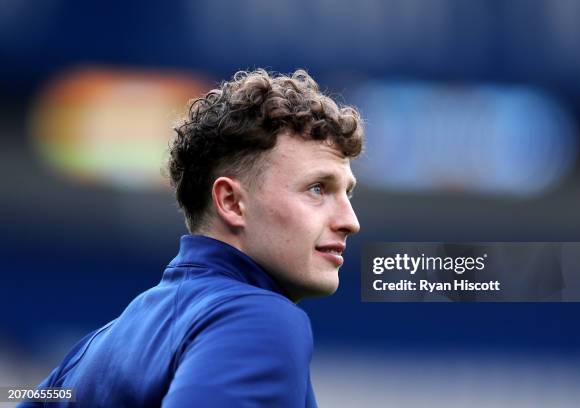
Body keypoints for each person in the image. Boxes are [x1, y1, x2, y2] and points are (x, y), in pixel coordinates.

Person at [19, 69, 363, 407]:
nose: (350, 221)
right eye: (317, 189)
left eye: (347, 194)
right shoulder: (259, 319)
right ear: (231, 202)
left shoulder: (90, 351)